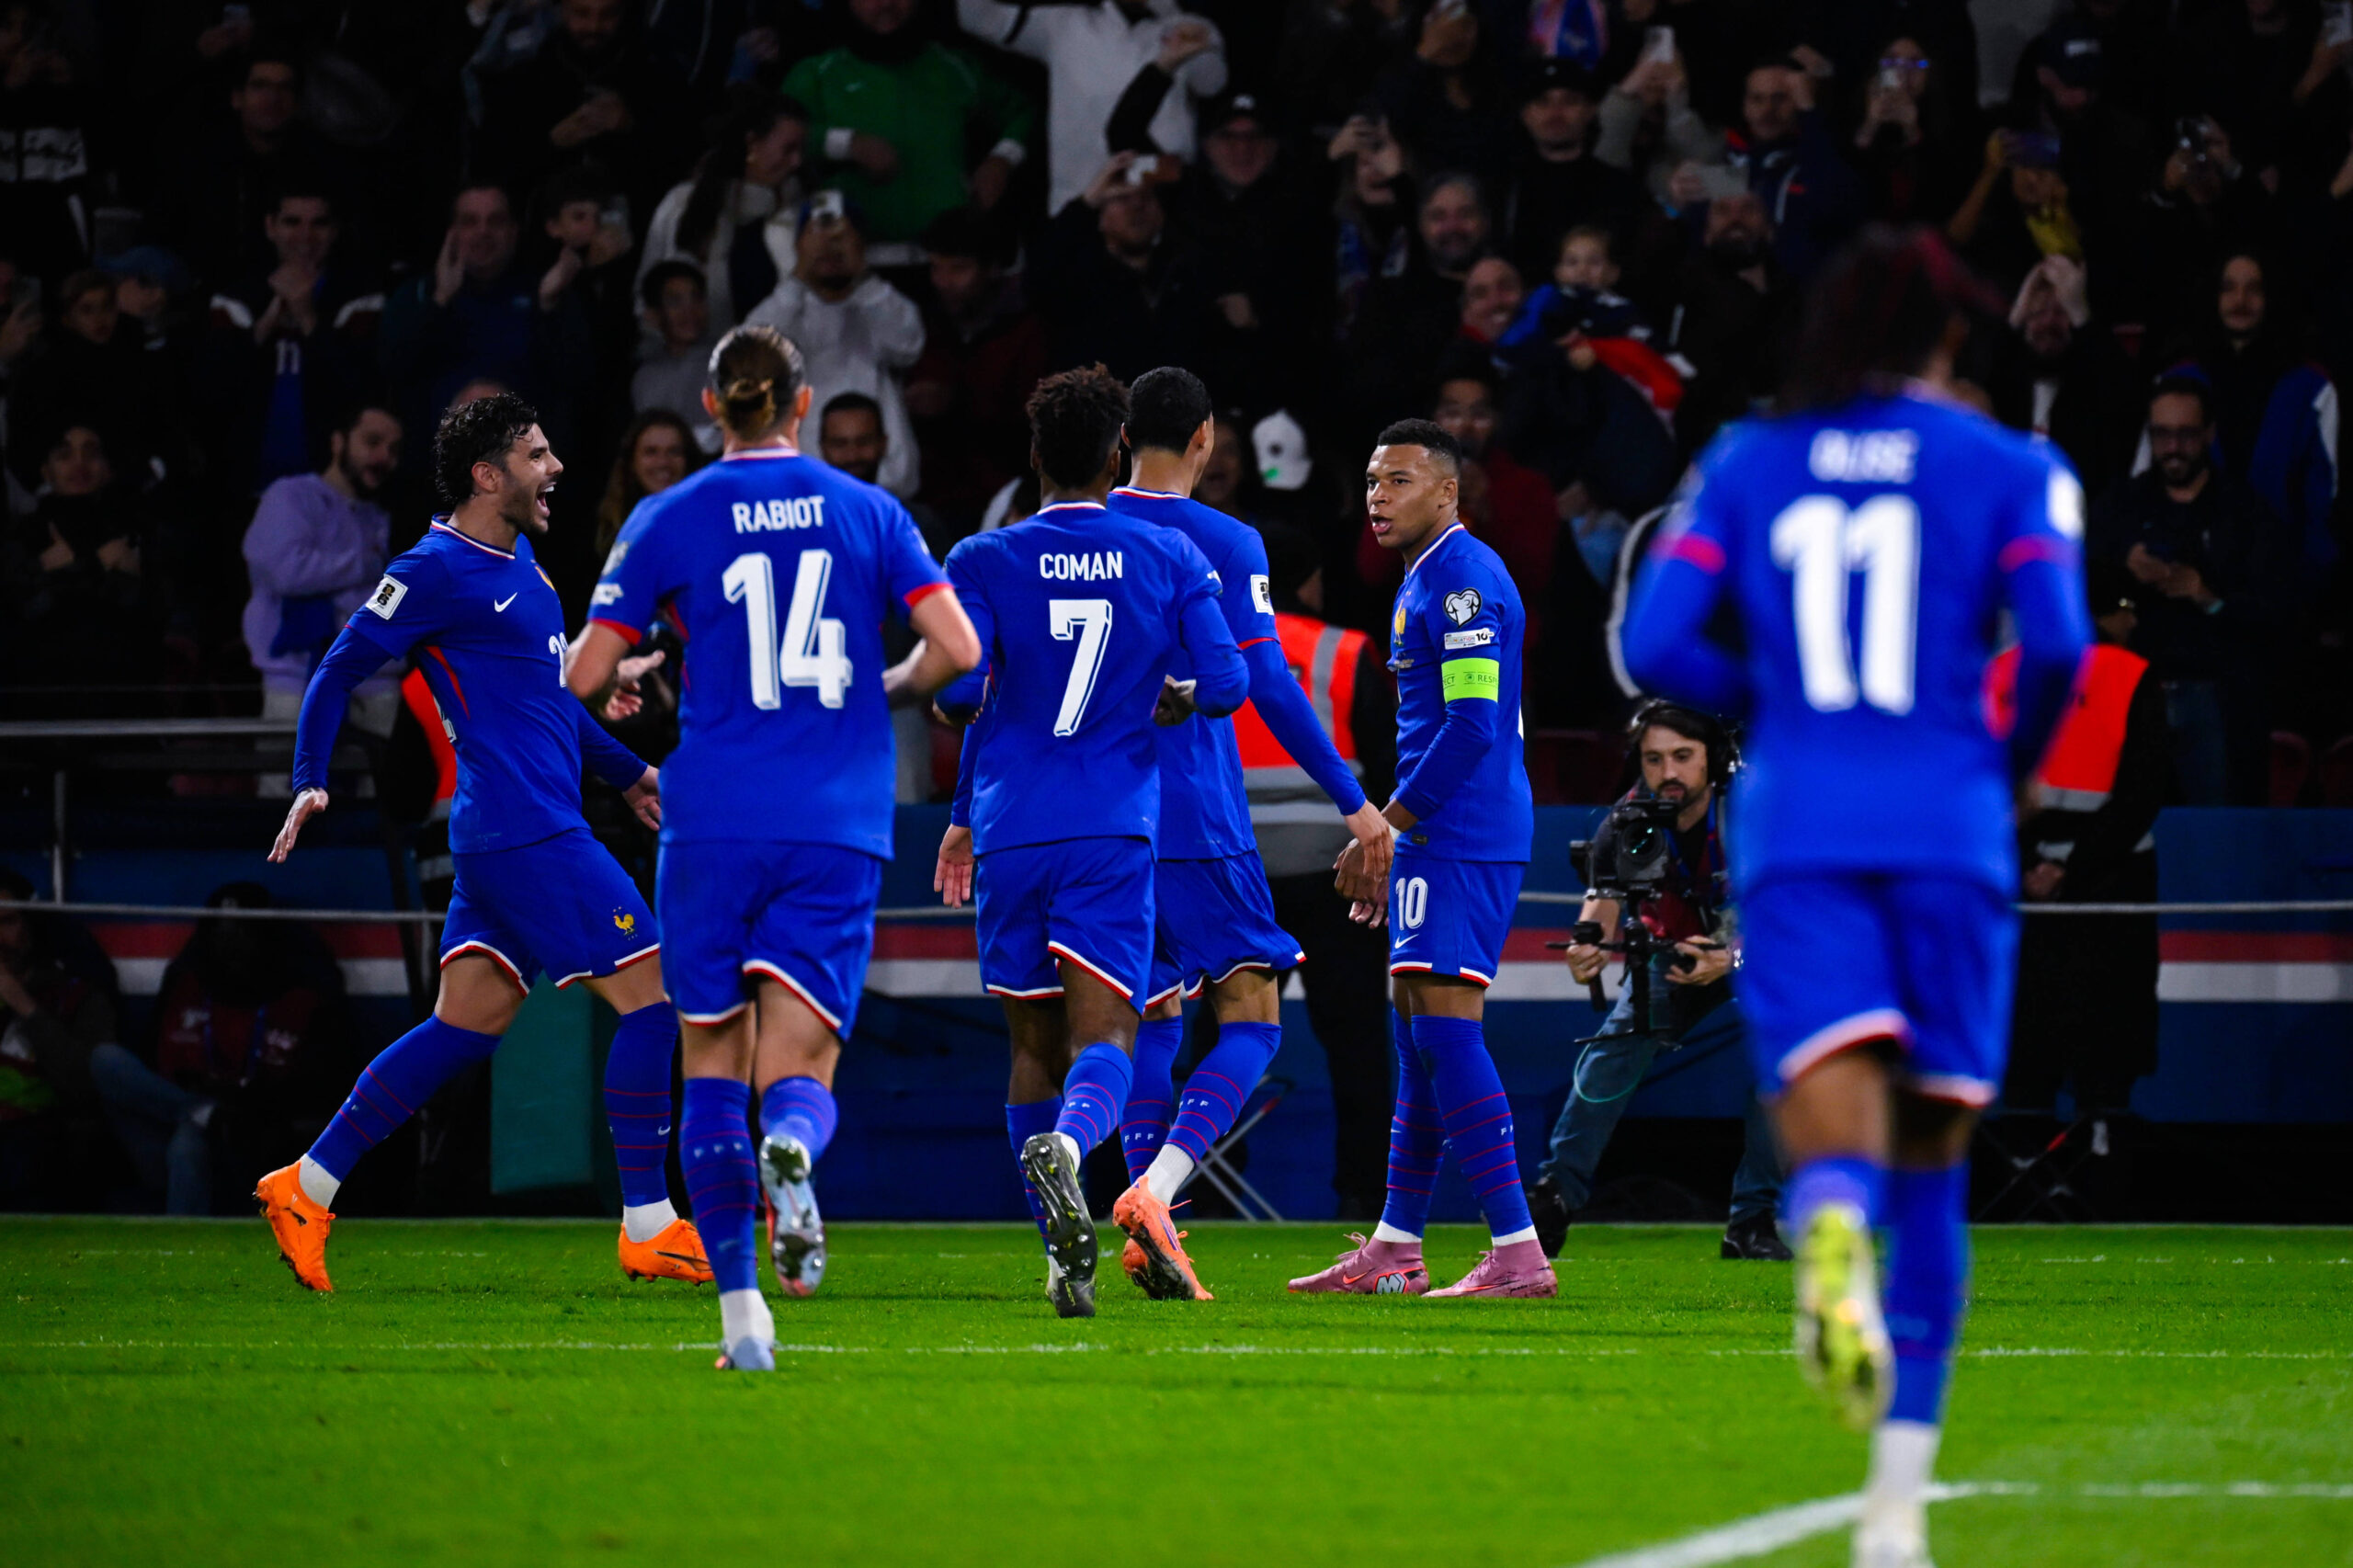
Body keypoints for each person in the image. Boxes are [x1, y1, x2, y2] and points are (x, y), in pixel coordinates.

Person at [1618, 224, 2090, 1568]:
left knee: (1833, 1096)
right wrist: (2005, 766)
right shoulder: (2013, 465)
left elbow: (1657, 641)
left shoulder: (1749, 461)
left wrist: (1794, 702)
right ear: (1948, 340)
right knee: (1933, 1156)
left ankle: (1825, 1213)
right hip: (1948, 817)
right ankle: (1893, 1516)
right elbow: (2058, 640)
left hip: (1802, 819)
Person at [569, 324, 979, 1370]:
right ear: (801, 407)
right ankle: (792, 1141)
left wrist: (635, 664)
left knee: (711, 1059)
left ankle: (744, 1319)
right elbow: (960, 651)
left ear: (713, 407)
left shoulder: (669, 514)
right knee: (800, 1065)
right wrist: (890, 686)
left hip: (710, 813)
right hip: (834, 817)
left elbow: (582, 677)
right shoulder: (868, 511)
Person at [256, 392, 709, 1296]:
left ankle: (305, 1185)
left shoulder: (527, 563)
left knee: (462, 1025)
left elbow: (542, 703)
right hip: (527, 832)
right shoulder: (432, 568)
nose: (557, 470)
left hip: (510, 831)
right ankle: (649, 1223)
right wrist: (312, 772)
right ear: (487, 475)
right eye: (538, 456)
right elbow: (339, 667)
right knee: (656, 999)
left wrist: (627, 770)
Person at [930, 364, 1248, 1319]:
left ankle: (1061, 1263)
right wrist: (1174, 693)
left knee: (1031, 1040)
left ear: (1034, 457)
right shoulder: (1168, 556)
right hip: (1111, 824)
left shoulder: (982, 557)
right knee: (1107, 1032)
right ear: (1117, 453)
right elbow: (1226, 682)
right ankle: (1071, 1152)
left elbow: (957, 691)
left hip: (1011, 824)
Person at [1102, 367, 1393, 1300]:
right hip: (1193, 811)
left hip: (1094, 820)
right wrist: (1354, 800)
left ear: (1118, 446)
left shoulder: (1071, 529)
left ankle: (1141, 1221)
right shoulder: (1224, 537)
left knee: (1150, 1014)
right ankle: (1154, 1192)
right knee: (1251, 1015)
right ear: (1203, 442)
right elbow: (1267, 682)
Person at [1290, 417, 1552, 1301]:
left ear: (1448, 491)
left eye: (1399, 480)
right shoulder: (1424, 580)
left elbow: (1474, 726)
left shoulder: (1466, 579)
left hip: (1461, 830)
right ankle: (1398, 1243)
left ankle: (1516, 1249)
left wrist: (1388, 826)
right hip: (1439, 831)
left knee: (1444, 1028)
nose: (1378, 496)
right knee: (1415, 1034)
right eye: (1371, 480)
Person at [1529, 703, 1788, 1262]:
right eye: (1653, 759)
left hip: (1767, 955)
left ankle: (1753, 1220)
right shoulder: (1629, 817)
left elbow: (1798, 909)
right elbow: (1604, 896)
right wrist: (1586, 945)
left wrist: (1734, 955)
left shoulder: (1755, 807)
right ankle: (1553, 1201)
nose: (1668, 772)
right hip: (1673, 955)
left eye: (1682, 757)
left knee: (1781, 1061)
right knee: (1612, 1053)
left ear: (1712, 760)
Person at [1231, 524, 1399, 1219]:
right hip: (1339, 877)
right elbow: (1390, 770)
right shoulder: (1347, 652)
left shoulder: (1215, 649)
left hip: (1236, 878)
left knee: (1224, 1038)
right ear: (1306, 582)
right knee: (1358, 1044)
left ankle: (1196, 1195)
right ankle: (1364, 1197)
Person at [1996, 562, 2168, 1125]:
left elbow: (1975, 787)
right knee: (2102, 1046)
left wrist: (2033, 866)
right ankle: (2097, 1175)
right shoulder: (2132, 673)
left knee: (2029, 1047)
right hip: (2102, 887)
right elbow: (2144, 790)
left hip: (2042, 888)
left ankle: (2028, 1181)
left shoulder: (1999, 674)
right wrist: (2063, 869)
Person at [2086, 377, 2279, 804]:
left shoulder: (2244, 511)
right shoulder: (2121, 505)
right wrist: (2125, 572)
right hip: (2134, 694)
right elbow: (2080, 581)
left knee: (2215, 836)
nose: (2172, 447)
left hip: (2216, 696)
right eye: (2161, 435)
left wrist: (2207, 597)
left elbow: (2274, 611)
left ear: (2209, 433)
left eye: (2186, 434)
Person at [784, 0, 1032, 258]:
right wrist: (846, 144)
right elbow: (778, 139)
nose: (886, 3)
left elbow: (1022, 112)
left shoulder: (955, 67)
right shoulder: (816, 75)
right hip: (852, 269)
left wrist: (1002, 159)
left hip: (949, 267)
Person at [240, 404, 404, 758]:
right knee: (287, 800)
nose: (382, 457)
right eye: (373, 442)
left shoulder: (380, 515)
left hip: (376, 683)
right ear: (338, 442)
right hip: (298, 679)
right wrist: (367, 564)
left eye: (393, 450)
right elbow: (287, 571)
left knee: (370, 802)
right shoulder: (290, 496)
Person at [955, 0, 1226, 214]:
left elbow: (1212, 84)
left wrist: (1170, 15)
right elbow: (977, 16)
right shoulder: (1064, 24)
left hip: (1161, 209)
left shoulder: (1191, 27)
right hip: (1081, 208)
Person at [201, 187, 385, 498]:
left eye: (319, 224)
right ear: (270, 226)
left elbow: (361, 389)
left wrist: (308, 318)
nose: (306, 236)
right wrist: (268, 321)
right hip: (243, 485)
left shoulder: (360, 298)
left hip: (333, 486)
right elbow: (212, 391)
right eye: (292, 222)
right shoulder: (235, 298)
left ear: (335, 231)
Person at [742, 193, 926, 497]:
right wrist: (799, 273)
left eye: (842, 237)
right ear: (799, 244)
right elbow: (750, 356)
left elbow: (908, 346)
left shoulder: (878, 300)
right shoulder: (785, 307)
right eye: (816, 236)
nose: (830, 247)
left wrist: (861, 275)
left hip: (885, 485)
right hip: (806, 489)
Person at [636, 88, 806, 335]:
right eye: (788, 149)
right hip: (698, 364)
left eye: (801, 150)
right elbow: (646, 294)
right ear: (752, 144)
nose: (797, 162)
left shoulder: (798, 210)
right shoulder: (683, 204)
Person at [629, 261, 718, 449]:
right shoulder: (645, 376)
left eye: (696, 299)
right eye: (675, 302)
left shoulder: (728, 362)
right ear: (653, 314)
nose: (690, 311)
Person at [592, 408, 699, 560]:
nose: (663, 462)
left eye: (674, 451)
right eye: (651, 452)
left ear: (688, 460)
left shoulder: (706, 522)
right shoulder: (606, 530)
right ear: (631, 461)